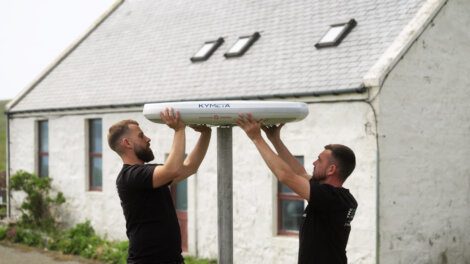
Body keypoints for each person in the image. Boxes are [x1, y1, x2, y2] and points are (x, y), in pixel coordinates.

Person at [236, 114, 358, 264]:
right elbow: (298, 173)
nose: (314, 163)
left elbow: (285, 176)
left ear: (331, 169)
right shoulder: (340, 197)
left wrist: (257, 138)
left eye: (319, 160)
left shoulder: (329, 198)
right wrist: (275, 139)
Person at [107, 108, 211, 264]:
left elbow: (190, 167)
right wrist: (179, 130)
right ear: (127, 143)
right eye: (141, 136)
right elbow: (172, 169)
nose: (148, 139)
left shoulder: (149, 173)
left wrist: (205, 134)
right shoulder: (130, 177)